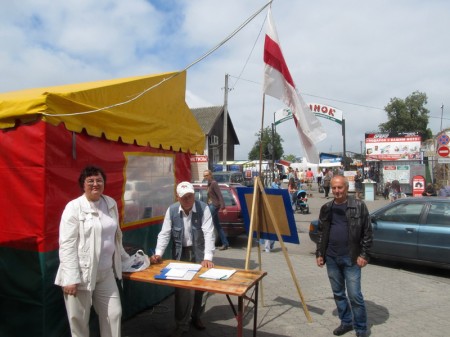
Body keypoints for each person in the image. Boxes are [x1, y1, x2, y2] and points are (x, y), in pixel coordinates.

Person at [55, 165, 131, 337]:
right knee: (79, 322)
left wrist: (127, 260)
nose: (95, 184)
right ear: (83, 184)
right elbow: (67, 244)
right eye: (90, 181)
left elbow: (115, 237)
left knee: (114, 314)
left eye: (99, 180)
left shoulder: (110, 203)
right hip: (81, 274)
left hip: (106, 274)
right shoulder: (73, 208)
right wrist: (70, 278)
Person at [150, 182, 215, 337]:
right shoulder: (171, 210)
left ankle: (196, 316)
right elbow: (165, 233)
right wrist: (158, 253)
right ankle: (181, 324)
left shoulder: (203, 208)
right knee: (182, 291)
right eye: (184, 197)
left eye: (190, 196)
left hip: (200, 251)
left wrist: (207, 257)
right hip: (181, 253)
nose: (188, 199)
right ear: (177, 197)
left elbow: (209, 234)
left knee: (202, 288)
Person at [316, 175, 373, 337]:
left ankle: (361, 328)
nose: (336, 191)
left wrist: (364, 254)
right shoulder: (326, 208)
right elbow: (321, 232)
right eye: (334, 187)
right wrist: (320, 253)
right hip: (332, 258)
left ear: (347, 188)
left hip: (352, 258)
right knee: (339, 293)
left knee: (355, 295)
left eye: (340, 187)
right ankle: (346, 322)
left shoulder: (359, 206)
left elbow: (367, 232)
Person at [203, 169, 229, 250]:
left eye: (207, 175)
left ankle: (207, 243)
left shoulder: (214, 183)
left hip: (214, 205)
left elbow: (220, 195)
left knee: (206, 222)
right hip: (210, 205)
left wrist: (223, 207)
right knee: (217, 225)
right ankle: (225, 243)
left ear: (210, 175)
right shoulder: (209, 184)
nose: (205, 177)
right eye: (204, 176)